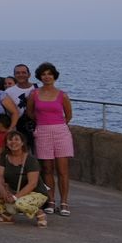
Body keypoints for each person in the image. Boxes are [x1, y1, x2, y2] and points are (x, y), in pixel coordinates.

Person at [29, 62, 73, 215]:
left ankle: (65, 202)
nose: (47, 76)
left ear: (54, 76)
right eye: (44, 74)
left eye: (49, 74)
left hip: (61, 132)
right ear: (40, 77)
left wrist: (57, 125)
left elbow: (68, 115)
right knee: (47, 169)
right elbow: (30, 112)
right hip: (42, 131)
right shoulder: (34, 94)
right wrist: (43, 123)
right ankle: (51, 200)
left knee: (63, 170)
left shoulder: (62, 95)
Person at [0, 132, 48, 227]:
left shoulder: (30, 160)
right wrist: (2, 189)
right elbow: (0, 175)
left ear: (22, 143)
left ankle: (39, 213)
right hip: (15, 190)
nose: (13, 142)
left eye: (16, 139)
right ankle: (7, 215)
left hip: (35, 193)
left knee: (20, 203)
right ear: (6, 143)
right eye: (10, 140)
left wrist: (15, 197)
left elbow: (32, 184)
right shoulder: (5, 156)